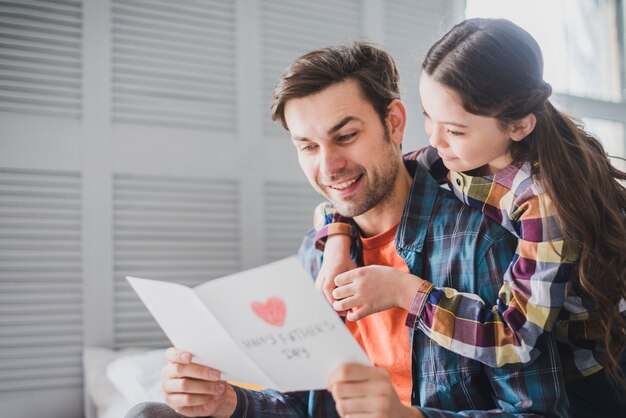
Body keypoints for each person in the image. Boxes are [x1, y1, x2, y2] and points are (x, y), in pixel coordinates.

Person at [125, 41, 569, 418]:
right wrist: (228, 403)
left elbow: (538, 411)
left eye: (345, 136)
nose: (328, 166)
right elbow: (301, 403)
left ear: (394, 123)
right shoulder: (317, 253)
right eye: (308, 146)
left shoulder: (483, 240)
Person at [313, 18, 626, 418]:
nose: (433, 139)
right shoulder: (454, 155)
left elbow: (513, 339)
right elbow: (370, 186)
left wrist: (404, 292)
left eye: (455, 130)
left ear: (518, 125)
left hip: (587, 376)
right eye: (429, 116)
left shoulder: (544, 206)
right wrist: (338, 241)